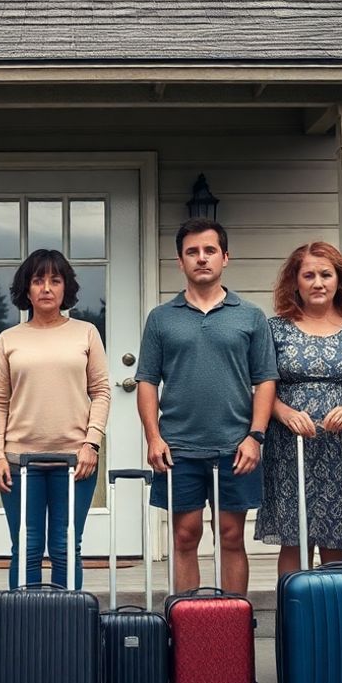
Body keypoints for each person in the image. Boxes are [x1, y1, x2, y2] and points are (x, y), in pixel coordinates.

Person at [136, 218, 277, 595]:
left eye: (210, 250)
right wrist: (153, 437)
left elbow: (265, 380)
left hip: (236, 447)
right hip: (179, 447)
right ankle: (186, 622)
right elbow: (146, 381)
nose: (202, 258)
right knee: (184, 535)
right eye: (192, 252)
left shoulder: (250, 315)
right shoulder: (161, 318)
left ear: (225, 257)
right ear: (180, 261)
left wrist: (255, 437)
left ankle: (234, 622)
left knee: (230, 536)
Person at [255, 241, 342, 576]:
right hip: (290, 446)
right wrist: (283, 413)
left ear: (339, 280)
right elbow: (261, 386)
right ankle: (294, 610)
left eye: (326, 275)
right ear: (295, 282)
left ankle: (333, 610)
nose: (318, 283)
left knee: (339, 537)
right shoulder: (275, 329)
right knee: (294, 541)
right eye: (308, 275)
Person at [0, 248, 110, 590]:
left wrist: (91, 444)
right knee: (26, 548)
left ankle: (67, 622)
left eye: (55, 280)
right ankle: (22, 621)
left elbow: (101, 392)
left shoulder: (86, 333)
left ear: (65, 287)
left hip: (75, 462)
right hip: (19, 462)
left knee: (65, 547)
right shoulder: (9, 339)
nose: (46, 288)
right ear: (26, 289)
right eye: (38, 280)